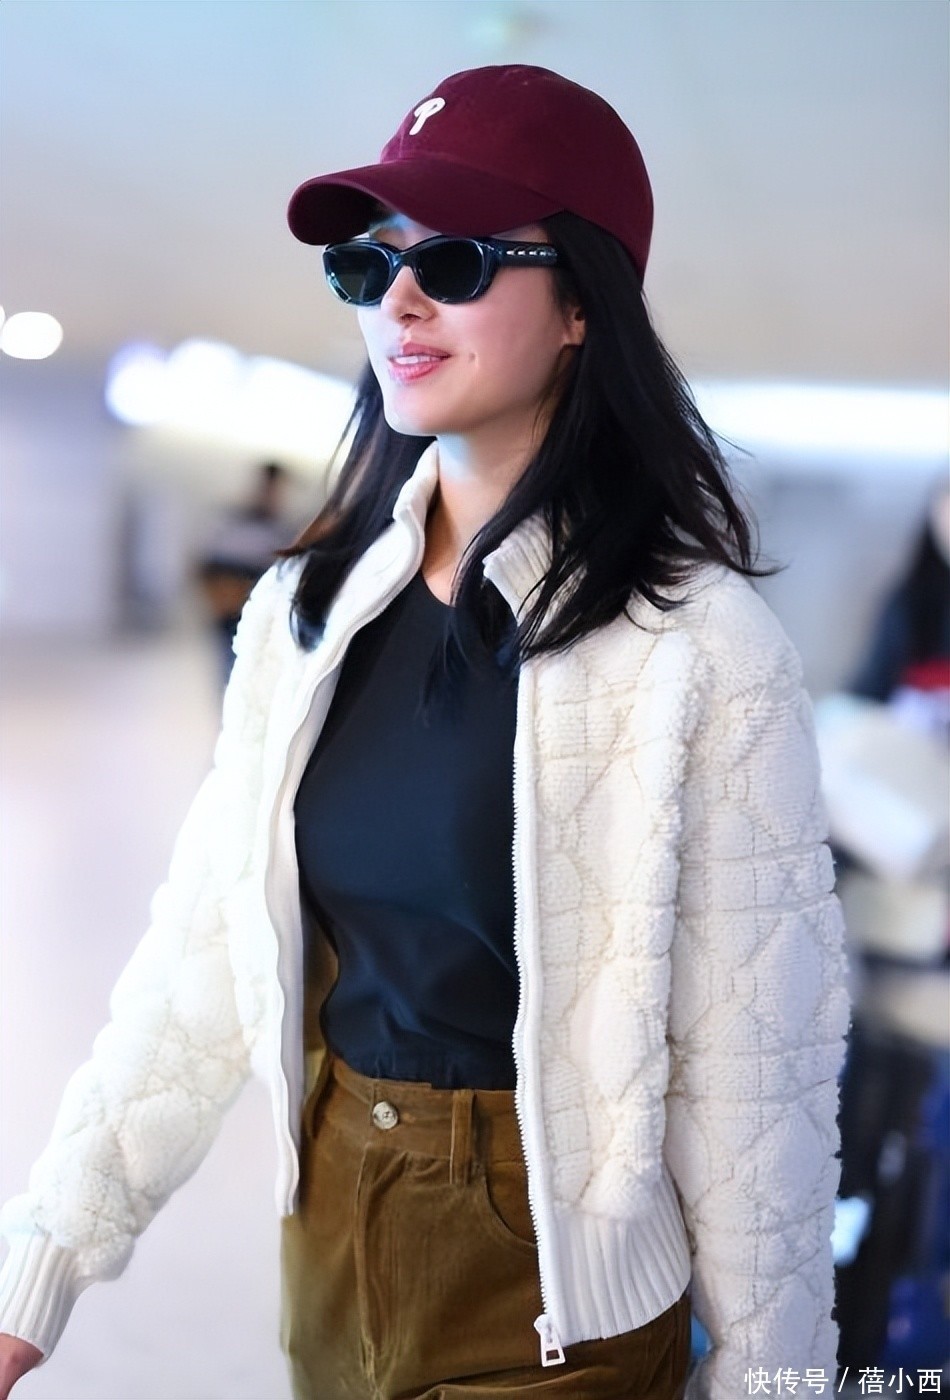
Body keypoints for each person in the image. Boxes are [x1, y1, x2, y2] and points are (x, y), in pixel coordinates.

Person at [0, 65, 850, 1400]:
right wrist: (42, 1256)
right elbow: (200, 953)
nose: (396, 301)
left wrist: (775, 1375)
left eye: (451, 262)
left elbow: (757, 1068)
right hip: (332, 1232)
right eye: (368, 263)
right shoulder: (303, 610)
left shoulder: (696, 648)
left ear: (581, 305)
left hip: (554, 1289)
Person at [197, 459, 295, 684]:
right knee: (232, 671)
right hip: (232, 610)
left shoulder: (282, 529)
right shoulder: (235, 523)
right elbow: (208, 567)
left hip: (263, 615)